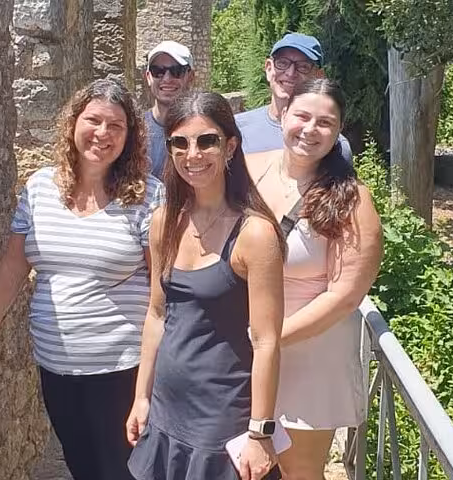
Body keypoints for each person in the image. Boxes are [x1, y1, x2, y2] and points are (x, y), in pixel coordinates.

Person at [0, 78, 164, 480]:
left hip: (120, 369)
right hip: (56, 367)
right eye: (93, 120)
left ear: (130, 137)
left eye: (116, 126)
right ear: (73, 123)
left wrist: (145, 389)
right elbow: (12, 267)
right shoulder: (40, 187)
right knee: (84, 468)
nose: (102, 134)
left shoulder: (147, 197)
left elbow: (161, 296)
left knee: (124, 472)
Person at [126, 92, 286, 480]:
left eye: (206, 141)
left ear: (230, 146)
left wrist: (260, 432)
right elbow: (157, 312)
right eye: (179, 142)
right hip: (167, 407)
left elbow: (266, 341)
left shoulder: (254, 234)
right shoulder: (165, 221)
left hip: (221, 416)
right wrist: (141, 397)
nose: (192, 154)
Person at [245, 78, 382, 480]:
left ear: (339, 131)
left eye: (326, 122)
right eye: (302, 115)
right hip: (246, 349)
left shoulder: (351, 198)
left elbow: (344, 295)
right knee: (242, 458)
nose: (310, 129)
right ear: (284, 114)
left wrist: (270, 340)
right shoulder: (248, 171)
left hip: (310, 354)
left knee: (297, 469)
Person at [235, 32, 352, 162]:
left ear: (319, 76)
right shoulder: (236, 129)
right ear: (269, 69)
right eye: (283, 63)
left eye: (303, 67)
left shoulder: (330, 145)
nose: (290, 73)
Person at [143, 40, 196, 179]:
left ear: (190, 77)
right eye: (158, 71)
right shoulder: (134, 130)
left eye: (176, 71)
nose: (167, 78)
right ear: (148, 77)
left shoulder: (203, 130)